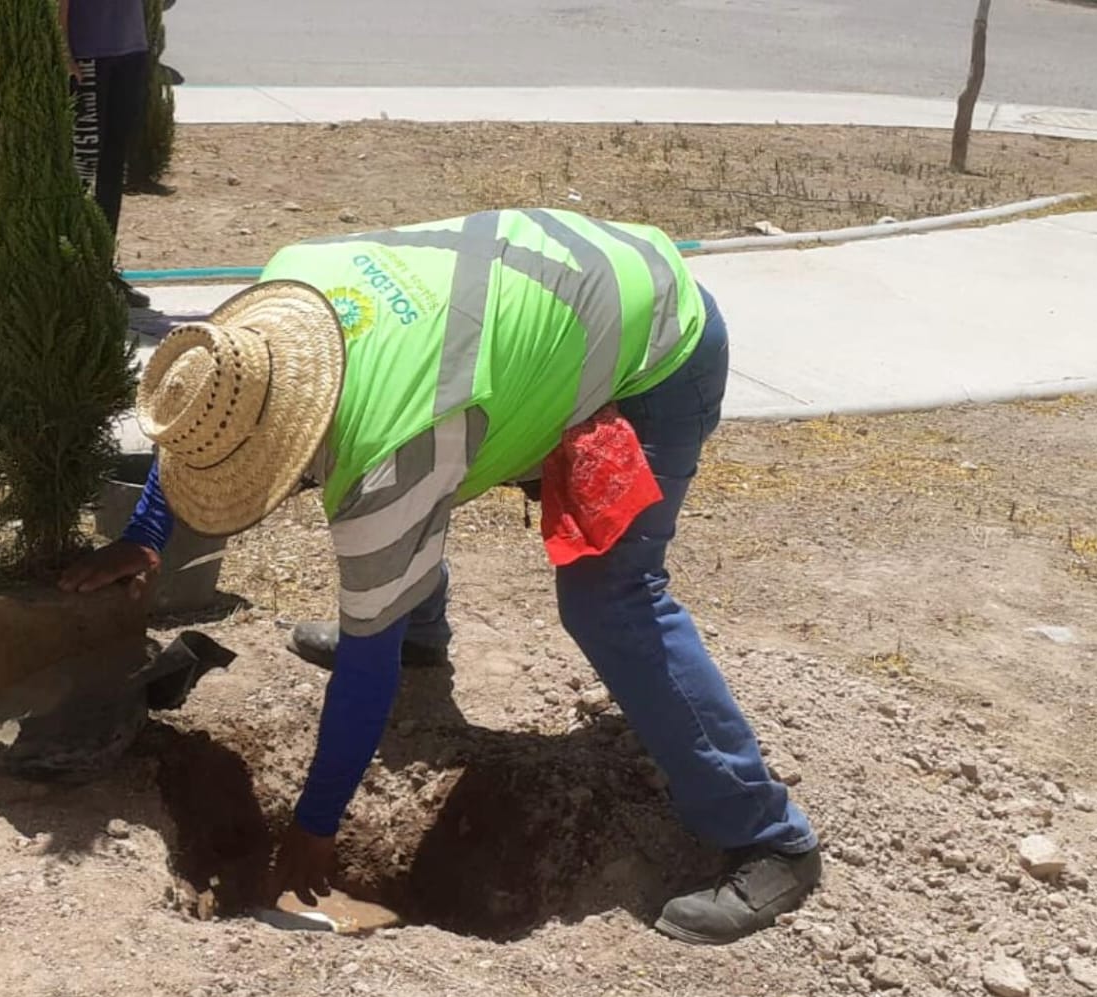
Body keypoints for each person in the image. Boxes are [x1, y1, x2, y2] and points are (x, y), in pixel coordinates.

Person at [61, 209, 821, 945]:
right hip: (551, 301)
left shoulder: (393, 452)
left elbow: (365, 669)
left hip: (658, 345)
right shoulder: (281, 309)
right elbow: (214, 417)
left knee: (608, 598)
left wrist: (315, 828)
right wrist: (146, 533)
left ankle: (767, 837)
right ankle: (421, 630)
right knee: (416, 502)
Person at [59, 0, 152, 309]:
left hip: (131, 48)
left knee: (113, 166)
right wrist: (63, 47)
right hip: (88, 51)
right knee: (84, 166)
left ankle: (102, 271)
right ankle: (70, 271)